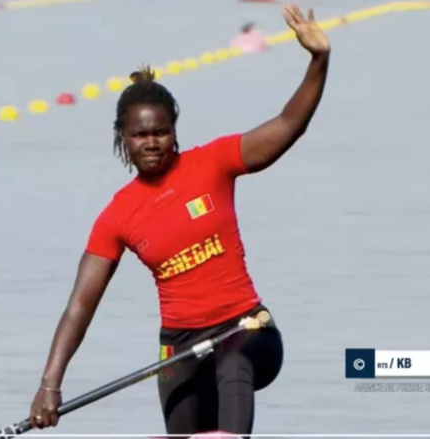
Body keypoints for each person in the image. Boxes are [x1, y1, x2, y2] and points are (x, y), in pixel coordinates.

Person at [28, 3, 330, 436]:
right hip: (180, 348)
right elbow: (80, 306)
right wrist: (49, 386)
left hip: (247, 331)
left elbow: (288, 125)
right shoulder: (117, 215)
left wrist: (319, 61)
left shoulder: (214, 163)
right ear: (123, 138)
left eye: (160, 132)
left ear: (174, 130)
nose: (151, 143)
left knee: (232, 361)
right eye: (140, 135)